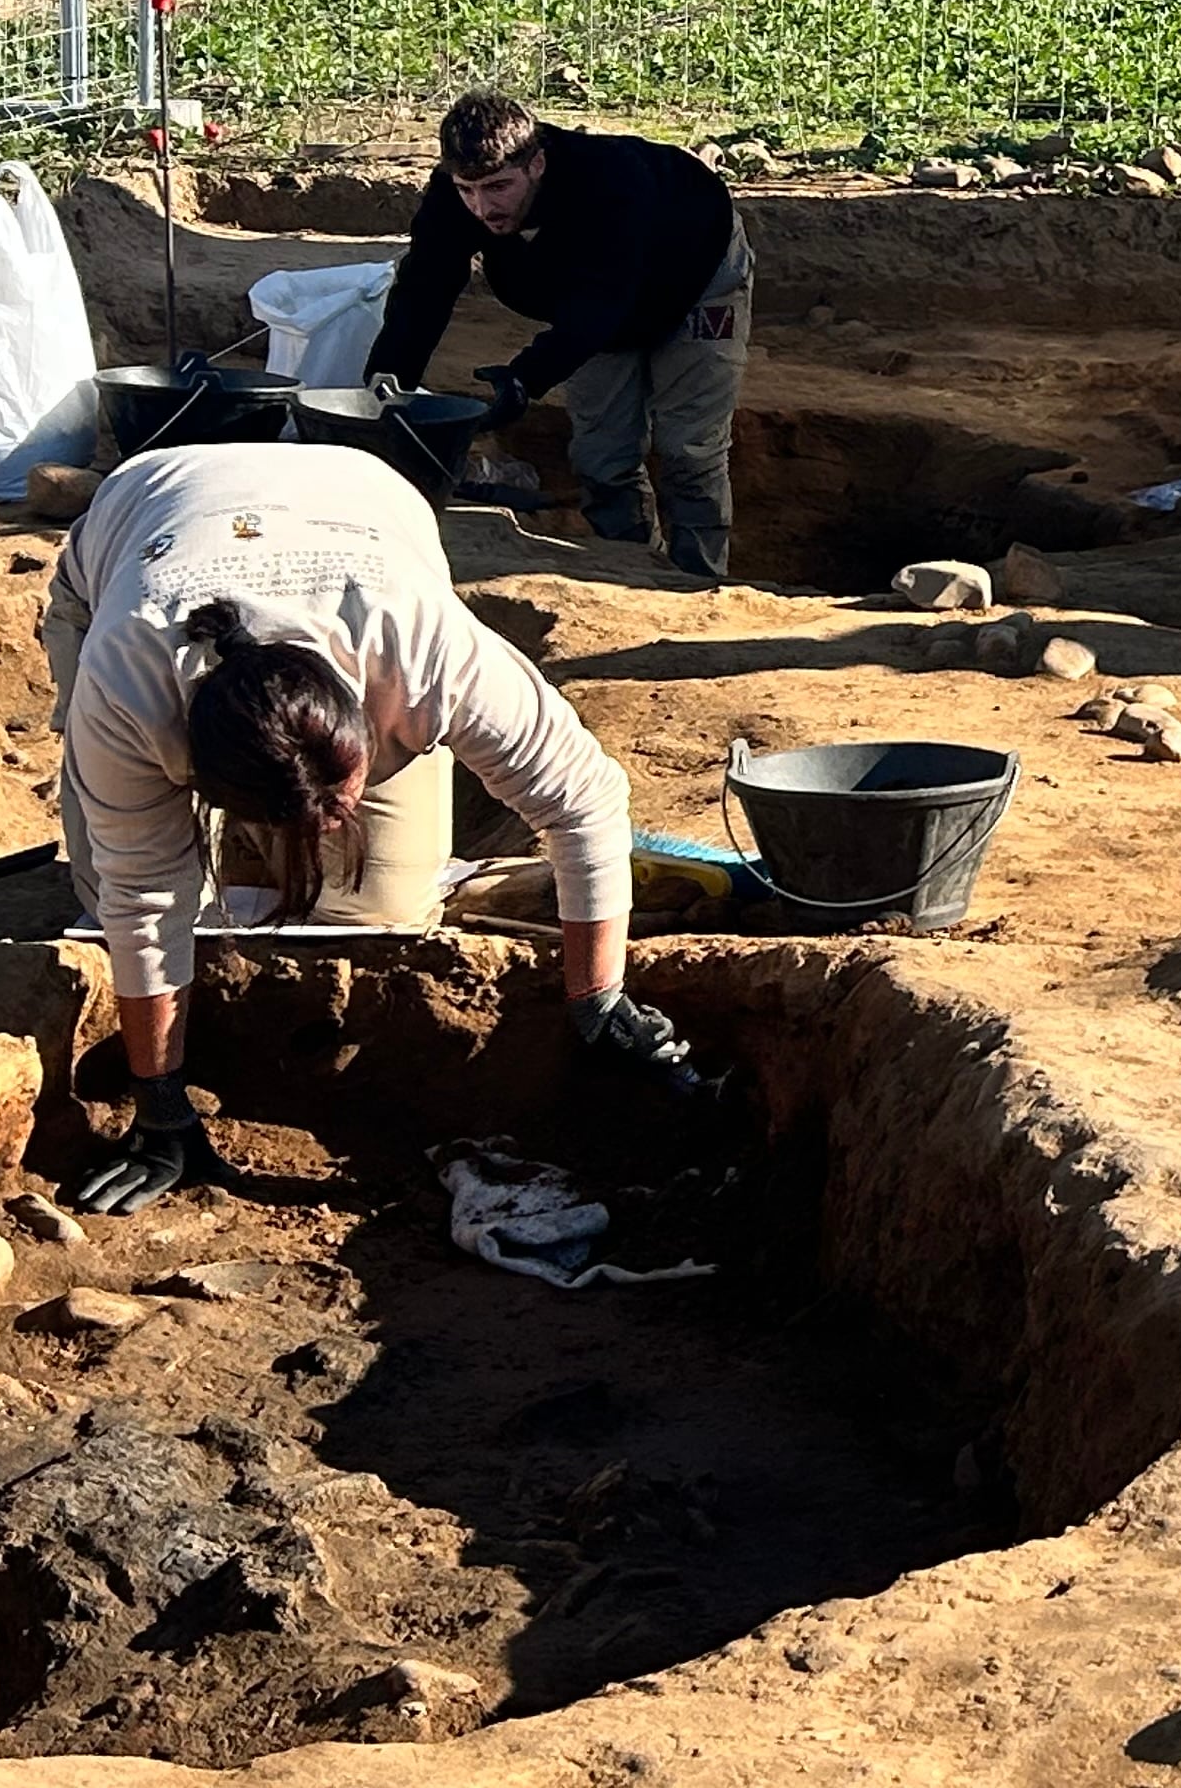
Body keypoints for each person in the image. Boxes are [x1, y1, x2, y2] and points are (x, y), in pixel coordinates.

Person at [42, 440, 692, 1213]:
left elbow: (585, 802)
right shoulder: (126, 681)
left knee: (381, 912)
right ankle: (224, 908)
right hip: (136, 533)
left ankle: (261, 876)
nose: (331, 828)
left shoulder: (420, 651)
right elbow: (142, 900)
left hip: (358, 504)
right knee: (104, 899)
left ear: (364, 721)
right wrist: (161, 1105)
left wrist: (597, 997)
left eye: (344, 798)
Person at [363, 93, 752, 577]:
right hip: (594, 294)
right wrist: (384, 387)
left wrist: (525, 378)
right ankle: (631, 571)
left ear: (537, 164)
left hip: (696, 272)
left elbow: (601, 305)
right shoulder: (453, 195)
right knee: (601, 457)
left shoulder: (609, 184)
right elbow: (424, 288)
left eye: (499, 187)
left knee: (688, 450)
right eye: (468, 190)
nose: (483, 208)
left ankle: (700, 579)